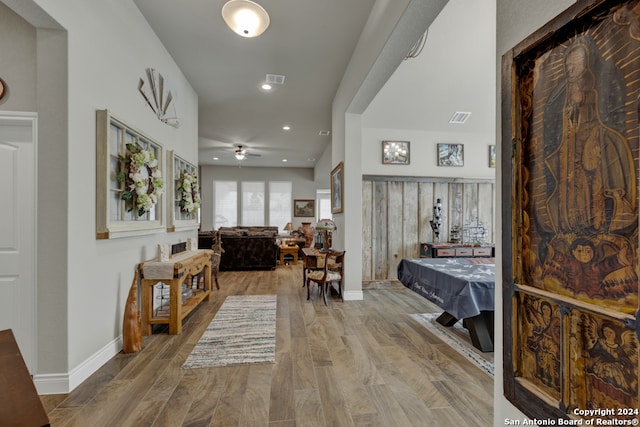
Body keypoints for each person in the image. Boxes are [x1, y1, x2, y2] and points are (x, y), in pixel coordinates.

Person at [540, 36, 636, 235]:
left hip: (591, 142)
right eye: (568, 64)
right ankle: (569, 225)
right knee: (569, 187)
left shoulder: (595, 85)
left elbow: (607, 114)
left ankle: (594, 226)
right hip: (568, 144)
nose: (571, 68)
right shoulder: (560, 93)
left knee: (590, 186)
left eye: (576, 63)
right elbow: (555, 121)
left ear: (586, 63)